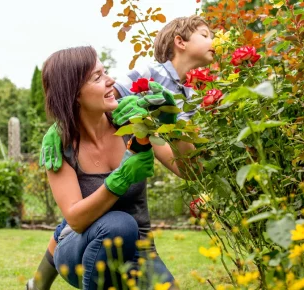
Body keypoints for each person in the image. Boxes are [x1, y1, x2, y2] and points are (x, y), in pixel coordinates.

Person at [27, 14, 214, 290]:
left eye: (106, 72)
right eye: (98, 77)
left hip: (140, 251)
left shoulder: (133, 123)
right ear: (75, 93)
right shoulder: (61, 144)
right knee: (118, 225)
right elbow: (76, 219)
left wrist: (170, 125)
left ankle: (38, 285)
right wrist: (121, 179)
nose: (111, 80)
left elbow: (189, 172)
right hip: (77, 250)